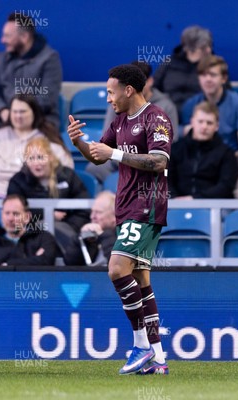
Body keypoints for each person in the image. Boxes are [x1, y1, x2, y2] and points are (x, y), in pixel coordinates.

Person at [68, 63, 171, 374]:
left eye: (112, 93)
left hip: (147, 205)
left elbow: (159, 161)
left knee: (116, 269)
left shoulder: (156, 118)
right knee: (141, 281)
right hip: (125, 206)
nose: (108, 99)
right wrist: (79, 144)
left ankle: (140, 346)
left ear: (129, 90)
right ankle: (159, 359)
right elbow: (99, 154)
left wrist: (113, 154)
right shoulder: (119, 120)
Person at [90, 61, 179, 184]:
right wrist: (78, 142)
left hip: (150, 165)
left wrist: (116, 154)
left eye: (142, 81)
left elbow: (163, 154)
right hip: (117, 162)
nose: (138, 86)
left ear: (151, 81)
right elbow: (106, 143)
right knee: (93, 168)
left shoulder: (162, 109)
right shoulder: (117, 107)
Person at [7, 136, 90, 265]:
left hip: (68, 229)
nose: (36, 163)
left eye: (40, 157)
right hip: (30, 233)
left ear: (50, 157)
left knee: (60, 228)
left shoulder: (68, 176)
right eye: (31, 158)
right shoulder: (18, 181)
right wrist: (48, 216)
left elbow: (83, 209)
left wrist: (70, 226)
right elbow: (14, 211)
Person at [0, 94, 72, 198]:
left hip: (32, 196)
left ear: (34, 112)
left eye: (22, 111)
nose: (18, 116)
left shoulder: (47, 138)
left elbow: (66, 168)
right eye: (15, 112)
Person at [0, 12, 62, 137]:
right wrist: (3, 111)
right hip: (6, 120)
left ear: (24, 37)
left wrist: (20, 114)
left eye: (7, 36)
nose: (2, 40)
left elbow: (48, 98)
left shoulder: (49, 59)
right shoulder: (1, 59)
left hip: (42, 121)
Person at [181, 55, 238, 151]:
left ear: (223, 79)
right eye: (203, 75)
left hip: (230, 160)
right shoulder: (190, 105)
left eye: (213, 75)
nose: (208, 79)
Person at [170, 102, 238, 199]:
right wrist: (173, 198)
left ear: (217, 126)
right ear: (192, 122)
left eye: (209, 123)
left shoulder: (227, 154)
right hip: (176, 204)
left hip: (214, 206)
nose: (204, 127)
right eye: (200, 121)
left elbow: (226, 186)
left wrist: (195, 198)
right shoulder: (175, 149)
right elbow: (165, 179)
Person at [0, 194, 60, 266]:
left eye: (16, 214)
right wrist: (33, 260)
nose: (10, 218)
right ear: (1, 216)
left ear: (27, 217)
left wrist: (7, 265)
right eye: (7, 213)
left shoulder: (44, 238)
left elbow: (46, 261)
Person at [152, 25, 213, 115]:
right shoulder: (170, 62)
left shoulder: (213, 64)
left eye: (209, 46)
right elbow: (153, 87)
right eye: (203, 47)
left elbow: (222, 91)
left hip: (198, 116)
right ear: (190, 48)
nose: (208, 50)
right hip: (168, 112)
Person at [79, 191, 117, 266]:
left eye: (98, 212)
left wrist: (102, 235)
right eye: (92, 211)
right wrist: (80, 239)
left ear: (114, 215)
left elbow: (117, 263)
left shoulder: (127, 235)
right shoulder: (90, 234)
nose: (92, 217)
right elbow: (70, 264)